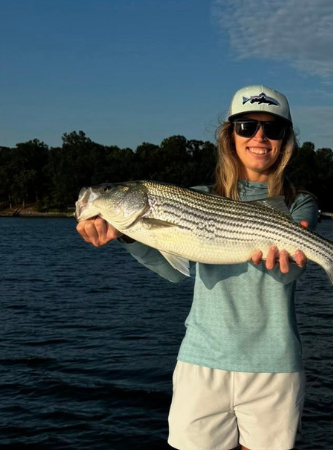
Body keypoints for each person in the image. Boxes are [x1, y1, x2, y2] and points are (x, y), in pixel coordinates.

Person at [77, 85, 318, 450]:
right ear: (229, 135)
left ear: (286, 140)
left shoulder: (299, 203)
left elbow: (294, 270)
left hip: (275, 363)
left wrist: (287, 256)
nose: (259, 137)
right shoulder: (197, 197)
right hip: (202, 360)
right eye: (246, 127)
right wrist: (127, 236)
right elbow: (175, 271)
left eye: (273, 129)